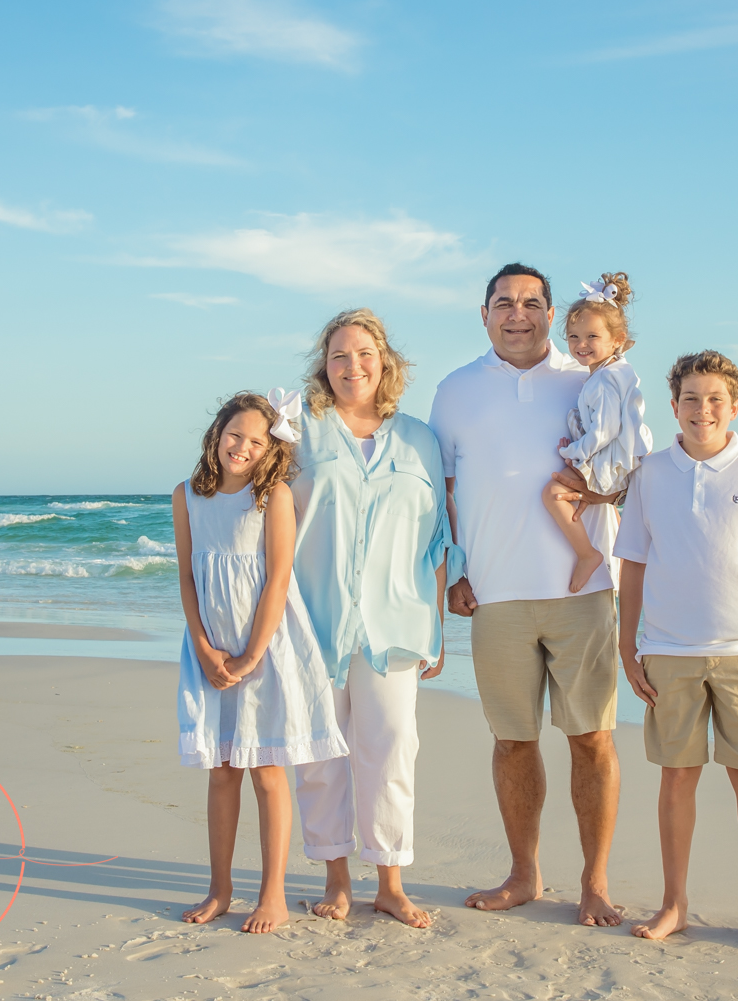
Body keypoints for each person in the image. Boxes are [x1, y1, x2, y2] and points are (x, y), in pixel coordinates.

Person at [428, 262, 625, 927]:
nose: (518, 314)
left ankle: (594, 881)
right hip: (495, 594)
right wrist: (454, 571)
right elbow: (443, 493)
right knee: (513, 741)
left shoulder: (589, 379)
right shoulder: (454, 391)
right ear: (483, 314)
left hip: (584, 589)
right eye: (504, 303)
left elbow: (628, 470)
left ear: (551, 313)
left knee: (592, 739)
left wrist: (597, 495)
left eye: (532, 303)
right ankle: (523, 872)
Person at [613, 350, 738, 954]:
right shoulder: (651, 473)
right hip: (669, 651)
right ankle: (675, 903)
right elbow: (634, 563)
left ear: (735, 406)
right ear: (674, 407)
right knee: (677, 776)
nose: (704, 410)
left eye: (715, 399)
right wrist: (628, 643)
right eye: (692, 399)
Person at [290, 308, 452, 930]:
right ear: (322, 367)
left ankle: (390, 882)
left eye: (363, 353)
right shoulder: (300, 430)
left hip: (398, 622)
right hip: (313, 621)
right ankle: (335, 880)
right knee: (320, 754)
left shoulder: (420, 439)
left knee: (392, 750)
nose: (351, 365)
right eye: (338, 355)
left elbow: (436, 535)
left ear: (384, 361)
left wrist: (435, 622)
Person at [172, 391, 348, 934]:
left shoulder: (272, 496)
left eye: (256, 440)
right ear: (216, 434)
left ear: (271, 448)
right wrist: (204, 648)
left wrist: (252, 653)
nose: (242, 447)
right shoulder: (186, 496)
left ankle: (272, 893)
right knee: (222, 771)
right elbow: (187, 577)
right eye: (234, 434)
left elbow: (277, 579)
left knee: (268, 771)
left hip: (267, 648)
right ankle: (220, 888)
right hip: (210, 650)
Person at [542, 272, 653, 593]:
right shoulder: (610, 374)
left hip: (611, 462)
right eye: (573, 337)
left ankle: (587, 554)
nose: (581, 345)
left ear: (617, 340)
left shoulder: (603, 380)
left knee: (552, 494)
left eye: (592, 337)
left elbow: (605, 430)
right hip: (620, 459)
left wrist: (573, 452)